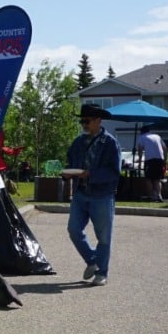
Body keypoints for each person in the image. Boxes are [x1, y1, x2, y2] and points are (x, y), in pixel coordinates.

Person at [66, 102, 121, 285]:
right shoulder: (78, 142)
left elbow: (114, 172)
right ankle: (92, 261)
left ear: (98, 120)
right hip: (80, 193)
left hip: (102, 195)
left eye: (87, 121)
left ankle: (101, 273)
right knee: (74, 230)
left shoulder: (110, 143)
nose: (84, 125)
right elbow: (70, 162)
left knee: (103, 237)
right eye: (82, 121)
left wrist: (90, 174)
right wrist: (67, 173)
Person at [138, 125, 168, 202]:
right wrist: (165, 160)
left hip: (150, 160)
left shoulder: (142, 137)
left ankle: (151, 196)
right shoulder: (157, 136)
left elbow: (140, 149)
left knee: (148, 179)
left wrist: (140, 161)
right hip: (160, 159)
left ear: (142, 132)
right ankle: (159, 196)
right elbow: (165, 148)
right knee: (157, 179)